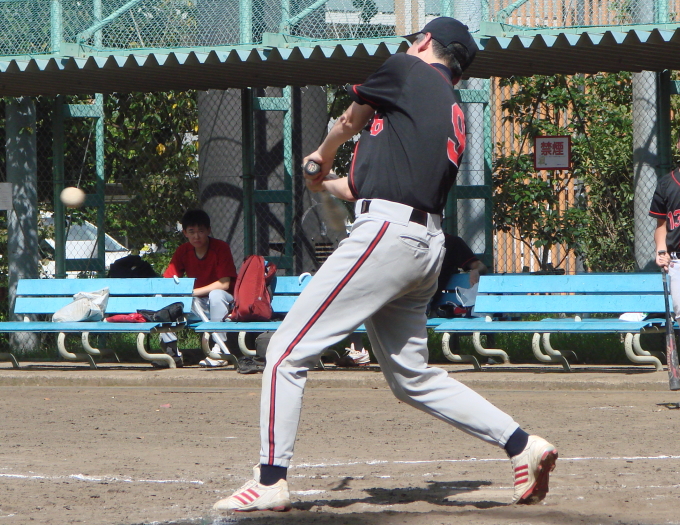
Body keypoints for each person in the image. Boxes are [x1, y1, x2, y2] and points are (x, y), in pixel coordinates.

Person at [212, 17, 557, 512]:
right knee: (410, 376)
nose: (409, 45)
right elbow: (357, 188)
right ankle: (522, 445)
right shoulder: (444, 104)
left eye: (415, 40)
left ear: (426, 42)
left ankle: (269, 481)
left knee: (285, 352)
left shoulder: (407, 70)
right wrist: (322, 181)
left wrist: (323, 152)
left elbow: (348, 122)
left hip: (388, 235)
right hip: (424, 244)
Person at [650, 117, 680, 408]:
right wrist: (661, 250)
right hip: (679, 263)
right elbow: (660, 224)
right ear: (678, 143)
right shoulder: (666, 183)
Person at [159, 209, 237, 368]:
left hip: (225, 303)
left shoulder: (221, 248)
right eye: (191, 231)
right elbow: (168, 281)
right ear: (185, 233)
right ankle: (171, 353)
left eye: (201, 231)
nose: (196, 236)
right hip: (196, 304)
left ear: (209, 230)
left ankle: (219, 351)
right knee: (161, 299)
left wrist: (192, 293)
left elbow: (224, 284)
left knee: (216, 294)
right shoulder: (183, 251)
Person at [430, 232, 488, 315]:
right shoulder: (410, 241)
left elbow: (480, 266)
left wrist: (476, 270)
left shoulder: (450, 242)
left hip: (421, 301)